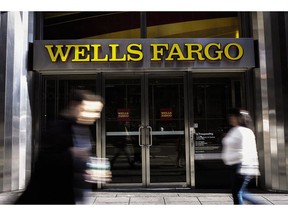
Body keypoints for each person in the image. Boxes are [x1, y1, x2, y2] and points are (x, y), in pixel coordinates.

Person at [15, 89, 104, 204]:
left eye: (97, 111)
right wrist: (72, 154)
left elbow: (79, 164)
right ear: (75, 106)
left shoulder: (83, 129)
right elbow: (44, 162)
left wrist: (90, 171)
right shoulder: (57, 128)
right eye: (91, 110)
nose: (96, 115)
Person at [222, 108, 262, 205]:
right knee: (242, 192)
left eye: (234, 117)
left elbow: (249, 151)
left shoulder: (243, 132)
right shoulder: (235, 130)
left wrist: (246, 167)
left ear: (241, 118)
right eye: (231, 116)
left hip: (240, 166)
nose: (231, 118)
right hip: (234, 165)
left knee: (237, 193)